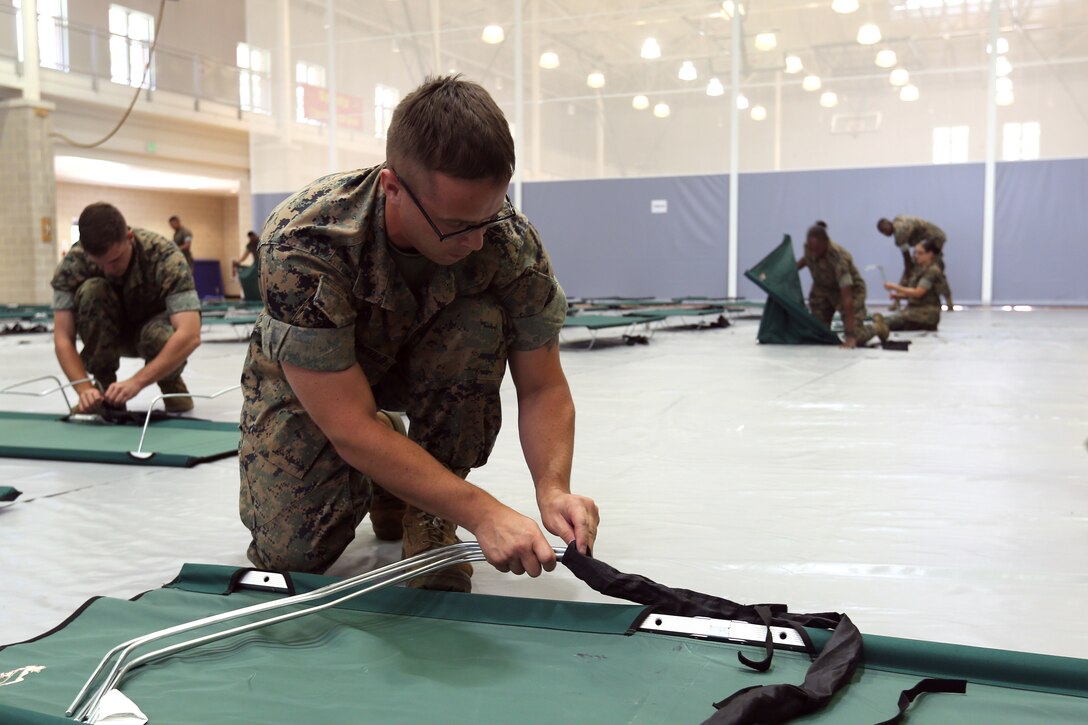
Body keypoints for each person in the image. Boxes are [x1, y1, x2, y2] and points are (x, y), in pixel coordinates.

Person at [239, 75, 599, 593]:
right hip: (323, 385)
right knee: (289, 555)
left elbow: (543, 384)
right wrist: (484, 512)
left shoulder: (506, 240)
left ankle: (428, 517)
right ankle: (393, 466)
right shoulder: (306, 241)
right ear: (392, 188)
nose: (477, 241)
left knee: (477, 322)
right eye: (456, 225)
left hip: (426, 363)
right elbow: (349, 424)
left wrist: (552, 488)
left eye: (488, 216)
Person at [52, 203, 202, 414]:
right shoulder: (72, 264)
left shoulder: (165, 256)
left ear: (129, 237)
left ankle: (171, 384)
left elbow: (190, 334)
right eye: (100, 263)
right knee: (92, 290)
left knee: (158, 335)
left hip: (153, 331)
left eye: (115, 260)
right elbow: (63, 338)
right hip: (109, 333)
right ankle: (103, 390)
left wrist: (136, 382)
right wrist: (83, 389)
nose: (109, 270)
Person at [796, 221, 886, 348]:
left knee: (857, 337)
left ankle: (878, 326)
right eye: (810, 249)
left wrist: (850, 336)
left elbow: (847, 298)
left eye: (816, 249)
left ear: (826, 242)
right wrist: (793, 269)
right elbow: (806, 258)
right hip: (824, 289)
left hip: (851, 291)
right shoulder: (810, 247)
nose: (813, 253)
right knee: (818, 333)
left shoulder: (838, 259)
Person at [877, 215, 953, 309]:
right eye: (882, 232)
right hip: (931, 239)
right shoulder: (897, 221)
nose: (885, 233)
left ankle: (897, 301)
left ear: (889, 225)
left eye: (885, 230)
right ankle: (897, 301)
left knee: (933, 270)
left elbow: (907, 259)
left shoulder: (900, 233)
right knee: (923, 269)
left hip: (935, 240)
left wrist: (908, 272)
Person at [875, 239, 947, 332]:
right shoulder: (921, 269)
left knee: (884, 324)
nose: (916, 256)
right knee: (882, 320)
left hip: (925, 316)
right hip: (914, 312)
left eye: (920, 253)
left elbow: (918, 293)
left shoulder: (932, 271)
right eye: (915, 253)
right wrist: (899, 296)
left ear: (930, 254)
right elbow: (918, 293)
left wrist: (895, 287)